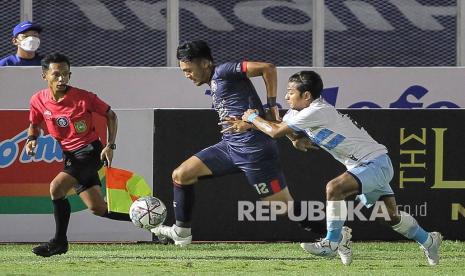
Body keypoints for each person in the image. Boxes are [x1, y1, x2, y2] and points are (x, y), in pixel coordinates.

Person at [241, 70, 442, 266]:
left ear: (307, 95)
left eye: (291, 92)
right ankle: (429, 240)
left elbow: (275, 132)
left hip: (375, 162)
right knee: (389, 216)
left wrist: (252, 118)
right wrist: (285, 136)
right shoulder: (298, 112)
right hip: (364, 165)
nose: (286, 96)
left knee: (334, 188)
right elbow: (284, 129)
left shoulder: (317, 110)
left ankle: (332, 242)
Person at [151, 41, 334, 247]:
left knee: (283, 208)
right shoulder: (214, 82)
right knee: (181, 174)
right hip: (229, 147)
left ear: (204, 63)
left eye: (188, 69)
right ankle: (182, 232)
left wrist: (271, 106)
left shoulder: (223, 71)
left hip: (255, 153)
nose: (187, 75)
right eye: (183, 71)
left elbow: (268, 68)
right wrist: (292, 137)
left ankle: (334, 234)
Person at [27, 53, 130, 257]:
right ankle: (150, 220)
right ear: (44, 76)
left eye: (66, 74)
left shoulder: (84, 97)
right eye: (56, 74)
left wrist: (110, 145)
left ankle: (59, 242)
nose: (61, 79)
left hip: (90, 153)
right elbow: (34, 123)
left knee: (56, 188)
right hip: (70, 157)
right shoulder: (38, 99)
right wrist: (32, 139)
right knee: (98, 208)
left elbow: (111, 115)